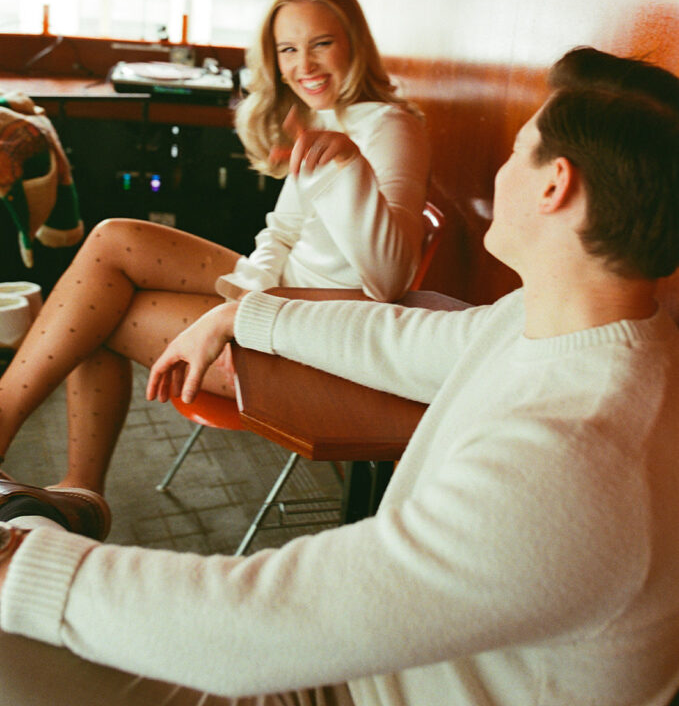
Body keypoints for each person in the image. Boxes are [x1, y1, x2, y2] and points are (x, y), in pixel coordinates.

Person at [1, 45, 679, 706]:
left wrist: (17, 567)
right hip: (373, 665)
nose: (502, 171)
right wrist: (242, 318)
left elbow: (255, 627)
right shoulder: (564, 326)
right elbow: (402, 335)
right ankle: (41, 514)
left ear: (553, 185)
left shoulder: (571, 460)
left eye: (515, 151)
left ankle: (33, 521)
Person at [0, 0, 430, 504]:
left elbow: (389, 280)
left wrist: (347, 166)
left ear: (355, 44)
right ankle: (59, 475)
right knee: (111, 240)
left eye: (322, 44)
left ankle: (80, 491)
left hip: (319, 340)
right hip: (278, 298)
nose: (304, 66)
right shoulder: (329, 116)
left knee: (94, 313)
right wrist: (241, 299)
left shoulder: (389, 127)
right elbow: (284, 230)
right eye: (288, 49)